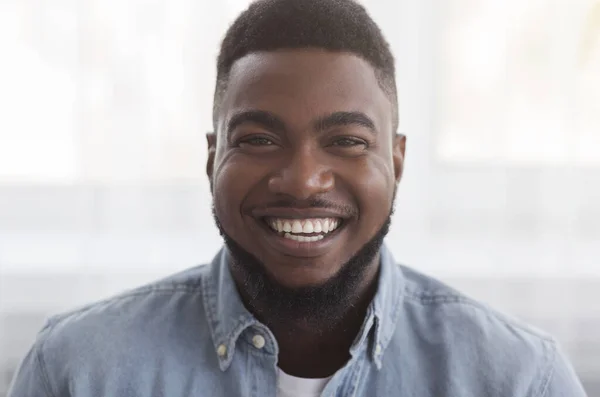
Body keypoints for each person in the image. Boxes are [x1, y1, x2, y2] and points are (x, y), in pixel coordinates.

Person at [8, 0, 588, 396]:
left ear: (398, 161)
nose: (303, 179)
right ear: (213, 160)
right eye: (259, 139)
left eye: (346, 141)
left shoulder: (519, 380)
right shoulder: (78, 372)